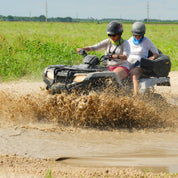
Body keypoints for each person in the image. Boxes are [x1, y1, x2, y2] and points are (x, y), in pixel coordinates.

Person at [127, 22, 159, 96]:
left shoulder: (147, 41)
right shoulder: (130, 40)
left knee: (134, 74)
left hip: (140, 63)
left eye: (139, 35)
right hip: (129, 62)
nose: (137, 37)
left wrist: (151, 59)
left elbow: (156, 53)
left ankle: (135, 95)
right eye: (135, 35)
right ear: (132, 33)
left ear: (143, 34)